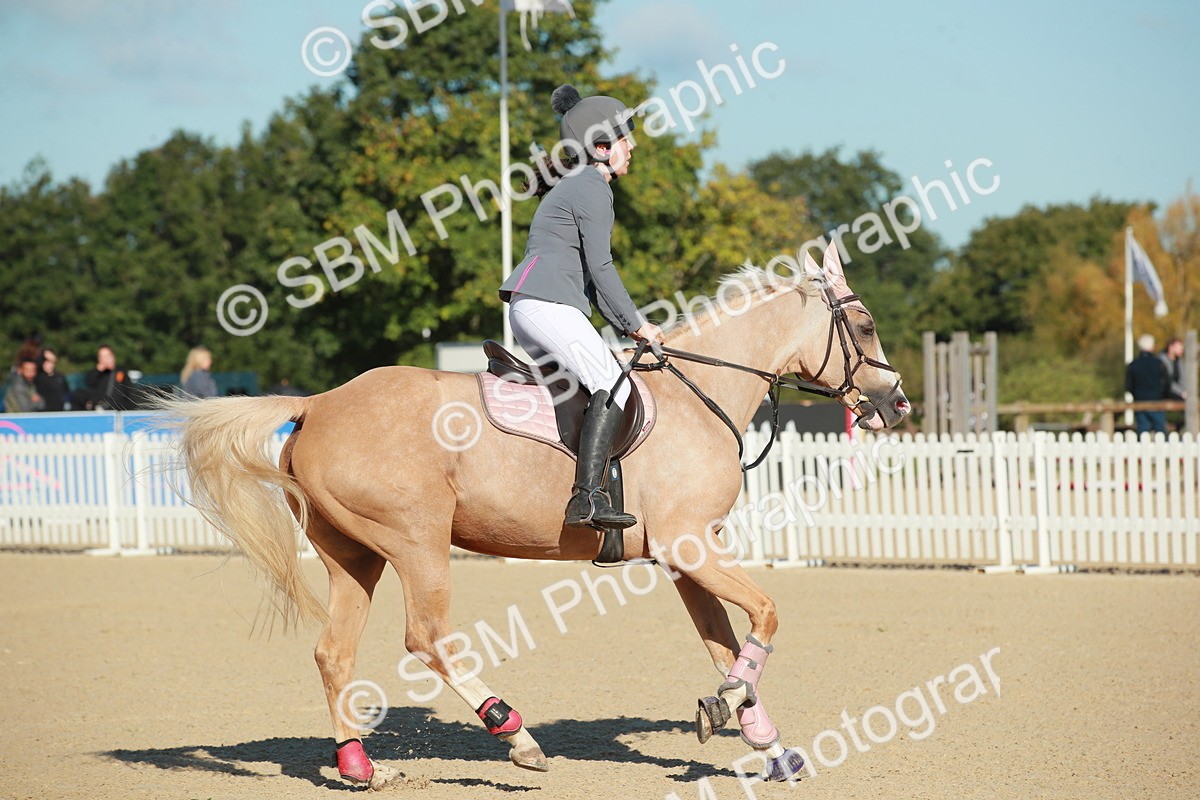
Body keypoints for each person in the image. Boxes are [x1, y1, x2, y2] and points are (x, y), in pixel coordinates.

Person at [497, 84, 664, 532]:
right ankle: (586, 497)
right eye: (626, 138)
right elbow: (602, 268)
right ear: (602, 147)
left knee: (592, 384)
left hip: (535, 305)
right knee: (614, 383)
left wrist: (624, 325)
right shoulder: (591, 186)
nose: (633, 146)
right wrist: (638, 325)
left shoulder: (579, 184)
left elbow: (592, 279)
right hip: (547, 304)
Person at [1126, 334, 1168, 435]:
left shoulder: (1133, 364)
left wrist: (1137, 395)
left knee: (1143, 430)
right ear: (1152, 347)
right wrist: (1162, 395)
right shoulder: (1159, 363)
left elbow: (1128, 386)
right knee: (1160, 431)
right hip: (1157, 401)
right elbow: (1167, 383)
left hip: (1140, 401)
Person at [78, 345, 133, 411]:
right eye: (102, 357)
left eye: (107, 356)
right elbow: (89, 383)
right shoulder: (98, 374)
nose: (105, 359)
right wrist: (98, 370)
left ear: (112, 356)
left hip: (117, 409)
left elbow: (129, 392)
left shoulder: (121, 371)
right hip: (98, 408)